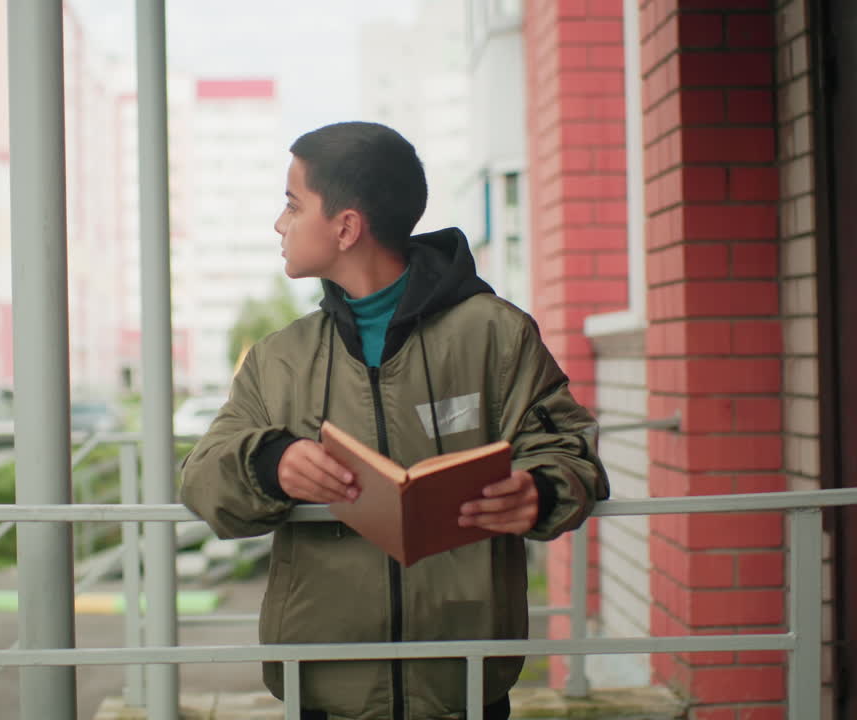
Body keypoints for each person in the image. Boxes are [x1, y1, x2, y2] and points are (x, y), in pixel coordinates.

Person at [180, 121, 607, 720]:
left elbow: (569, 448)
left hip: (466, 684)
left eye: (292, 204)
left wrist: (541, 489)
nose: (280, 223)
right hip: (322, 690)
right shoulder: (280, 358)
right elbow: (200, 478)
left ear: (346, 227)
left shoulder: (496, 335)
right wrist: (271, 463)